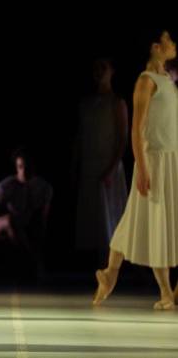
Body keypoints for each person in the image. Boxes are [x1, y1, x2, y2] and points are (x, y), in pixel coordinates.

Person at [93, 30, 177, 310]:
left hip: (171, 159)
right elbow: (137, 127)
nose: (173, 45)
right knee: (156, 223)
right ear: (156, 47)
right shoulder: (146, 81)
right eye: (169, 40)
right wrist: (141, 167)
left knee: (135, 221)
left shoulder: (167, 80)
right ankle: (165, 291)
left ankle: (108, 274)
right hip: (154, 161)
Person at [73, 59, 128, 266]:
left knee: (112, 218)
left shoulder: (117, 102)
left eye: (103, 68)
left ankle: (120, 268)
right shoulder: (86, 103)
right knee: (94, 220)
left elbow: (122, 139)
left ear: (112, 71)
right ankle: (99, 267)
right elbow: (80, 136)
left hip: (109, 166)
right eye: (96, 68)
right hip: (90, 165)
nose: (99, 72)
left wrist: (111, 169)